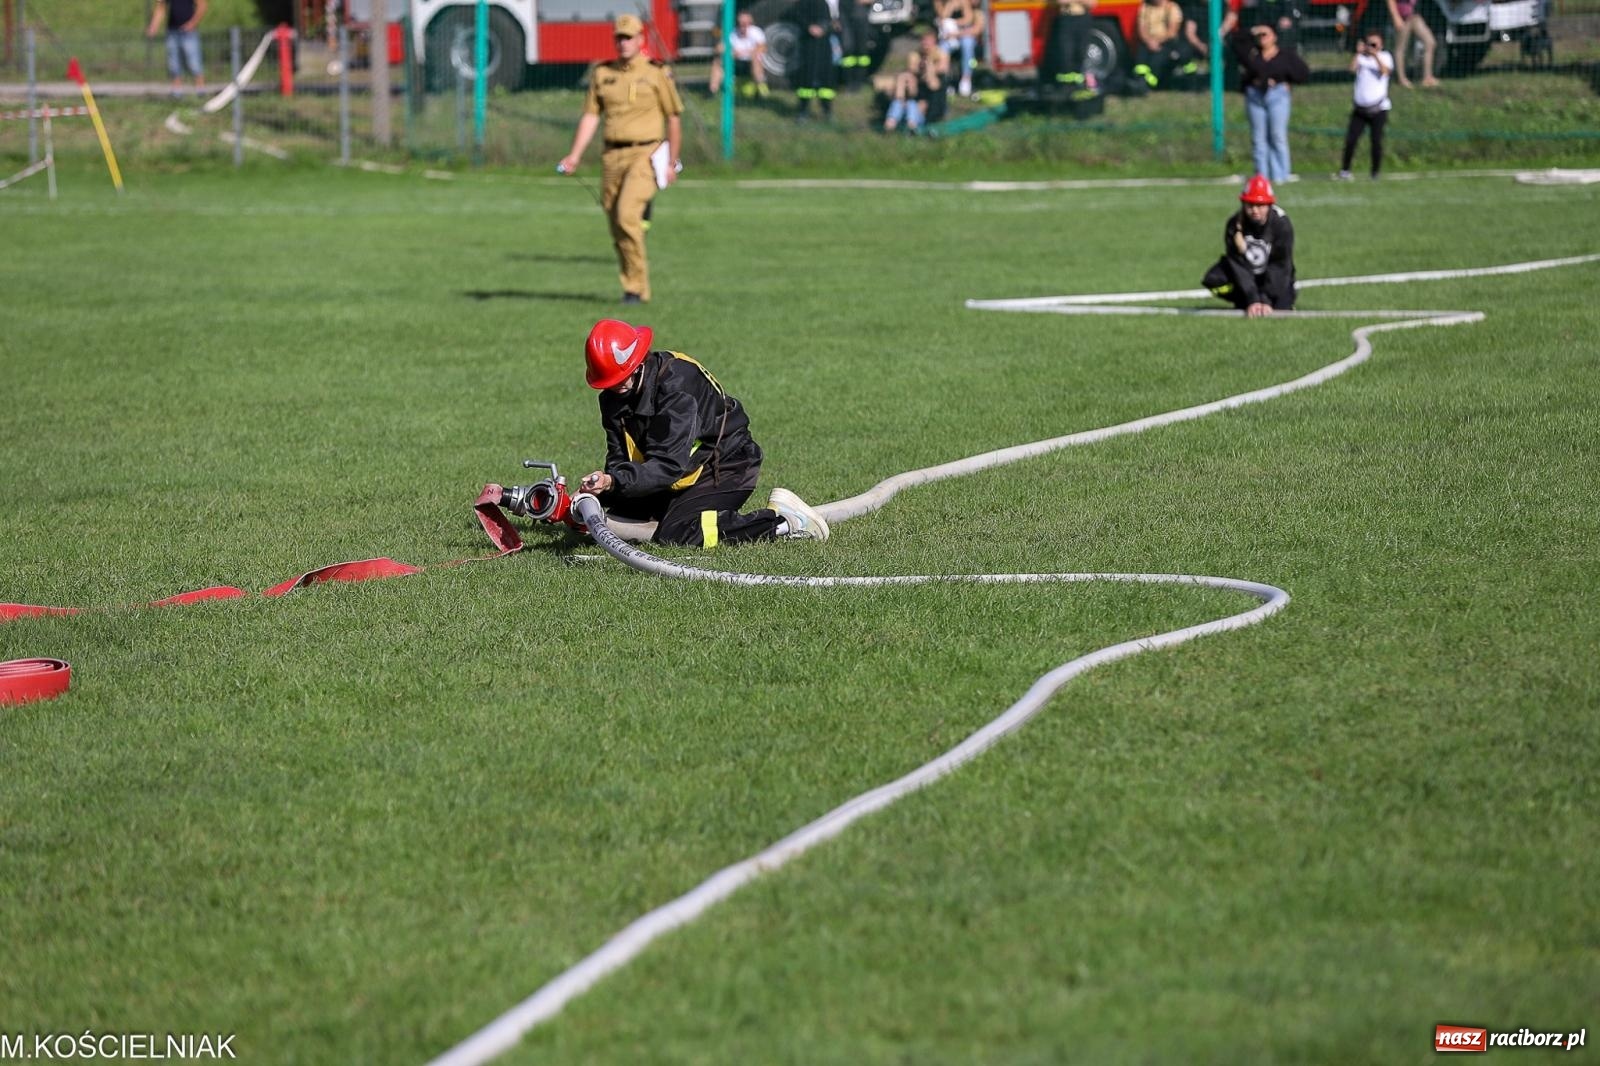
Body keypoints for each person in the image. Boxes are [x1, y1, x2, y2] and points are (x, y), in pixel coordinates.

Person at [574, 319, 830, 546]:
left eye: (621, 379)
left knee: (677, 531)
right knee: (616, 513)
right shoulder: (613, 398)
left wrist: (614, 481)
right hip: (682, 471)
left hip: (727, 465)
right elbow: (619, 458)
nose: (616, 389)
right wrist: (601, 489)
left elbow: (667, 466)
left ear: (638, 362)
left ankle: (783, 522)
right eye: (609, 383)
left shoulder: (677, 387)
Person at [558, 15, 683, 305]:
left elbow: (674, 118)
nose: (624, 42)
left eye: (629, 37)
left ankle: (635, 288)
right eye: (619, 37)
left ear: (641, 40)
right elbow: (591, 116)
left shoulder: (656, 72)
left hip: (646, 154)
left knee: (628, 214)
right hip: (612, 156)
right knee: (616, 223)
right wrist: (574, 155)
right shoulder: (602, 73)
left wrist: (672, 162)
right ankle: (633, 286)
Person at [1203, 175, 1296, 317]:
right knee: (1214, 280)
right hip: (1247, 273)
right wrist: (1252, 298)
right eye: (1250, 205)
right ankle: (1243, 301)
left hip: (1274, 277)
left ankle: (1276, 298)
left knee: (1279, 309)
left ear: (1269, 205)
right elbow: (1237, 264)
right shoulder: (1234, 225)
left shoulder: (1281, 225)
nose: (1255, 210)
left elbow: (1280, 265)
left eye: (1260, 205)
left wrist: (1266, 298)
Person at [1230, 23, 1308, 183]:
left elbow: (1303, 72)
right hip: (1255, 96)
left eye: (1265, 34)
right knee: (1259, 138)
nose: (1262, 38)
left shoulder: (1284, 55)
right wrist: (1253, 30)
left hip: (1277, 96)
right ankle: (1262, 177)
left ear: (1275, 37)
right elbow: (1235, 41)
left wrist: (1286, 81)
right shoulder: (1252, 54)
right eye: (1260, 35)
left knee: (1277, 136)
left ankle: (1281, 175)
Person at [1338, 32, 1393, 179]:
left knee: (1376, 141)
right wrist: (1358, 53)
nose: (1371, 47)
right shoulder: (1361, 58)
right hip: (1360, 108)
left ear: (1381, 45)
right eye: (1369, 44)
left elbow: (1385, 71)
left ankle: (1375, 172)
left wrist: (1375, 56)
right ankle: (1345, 170)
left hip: (1378, 108)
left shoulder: (1385, 57)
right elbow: (1351, 69)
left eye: (1374, 44)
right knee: (1351, 140)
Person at [884, 28, 951, 131]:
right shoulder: (912, 69)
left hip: (927, 110)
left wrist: (929, 67)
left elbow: (933, 85)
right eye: (923, 40)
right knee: (900, 104)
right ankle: (890, 126)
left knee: (912, 106)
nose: (925, 44)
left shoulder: (938, 71)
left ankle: (909, 128)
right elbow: (905, 92)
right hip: (911, 105)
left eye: (928, 41)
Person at [146, 0, 208, 98]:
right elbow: (161, 8)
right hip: (172, 31)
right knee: (174, 62)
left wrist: (193, 23)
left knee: (194, 61)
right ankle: (177, 91)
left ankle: (200, 89)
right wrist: (154, 26)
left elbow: (202, 6)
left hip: (189, 32)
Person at [793, 0, 841, 119]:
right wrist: (809, 27)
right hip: (808, 45)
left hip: (824, 46)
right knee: (807, 78)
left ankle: (827, 111)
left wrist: (826, 28)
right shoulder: (802, 4)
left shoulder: (824, 4)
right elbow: (796, 16)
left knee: (826, 79)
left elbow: (829, 21)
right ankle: (803, 110)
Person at [709, 10, 770, 98]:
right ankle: (713, 90)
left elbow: (763, 48)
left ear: (750, 23)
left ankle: (761, 86)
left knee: (756, 58)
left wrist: (746, 52)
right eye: (740, 23)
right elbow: (719, 48)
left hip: (751, 60)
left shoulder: (756, 32)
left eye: (745, 23)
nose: (743, 26)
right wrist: (725, 50)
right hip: (735, 61)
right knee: (717, 62)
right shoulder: (732, 33)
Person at [1040, 0, 1098, 89]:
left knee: (1081, 52)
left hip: (1083, 19)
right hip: (1067, 19)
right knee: (1066, 53)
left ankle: (1078, 84)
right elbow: (1061, 1)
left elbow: (1092, 3)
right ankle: (1065, 85)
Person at [1132, 0, 1186, 88]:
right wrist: (1149, 41)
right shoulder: (1145, 7)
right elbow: (1141, 28)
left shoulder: (1172, 8)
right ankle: (1139, 79)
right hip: (1148, 42)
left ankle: (1150, 83)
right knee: (1141, 55)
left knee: (1157, 59)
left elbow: (1172, 32)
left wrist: (1157, 41)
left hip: (1167, 42)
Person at [935, 0, 983, 97]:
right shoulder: (954, 4)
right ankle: (944, 81)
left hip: (969, 44)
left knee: (967, 43)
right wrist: (951, 5)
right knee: (943, 47)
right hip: (952, 39)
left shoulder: (978, 13)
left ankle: (966, 79)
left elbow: (974, 27)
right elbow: (943, 16)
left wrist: (955, 27)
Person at [1386, 0, 1439, 87]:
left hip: (1414, 14)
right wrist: (1395, 17)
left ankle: (1427, 77)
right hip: (1401, 15)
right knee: (1401, 48)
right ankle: (1401, 79)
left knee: (1430, 42)